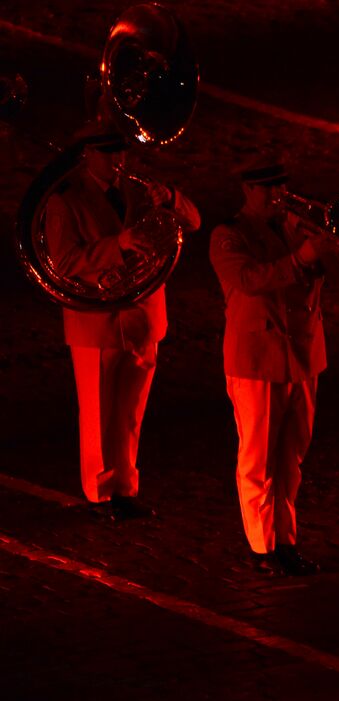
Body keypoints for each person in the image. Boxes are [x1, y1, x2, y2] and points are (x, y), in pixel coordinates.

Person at [43, 121, 200, 519]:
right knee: (98, 411)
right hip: (96, 321)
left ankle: (125, 488)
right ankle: (100, 493)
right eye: (108, 152)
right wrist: (118, 245)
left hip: (143, 315)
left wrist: (172, 199)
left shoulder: (139, 191)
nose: (118, 159)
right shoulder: (65, 200)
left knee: (130, 412)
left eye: (121, 151)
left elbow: (194, 222)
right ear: (87, 155)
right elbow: (63, 261)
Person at [208, 161, 339, 575]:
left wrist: (332, 243)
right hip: (257, 360)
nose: (277, 196)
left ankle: (285, 540)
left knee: (291, 459)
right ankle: (262, 547)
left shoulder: (297, 226)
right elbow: (250, 279)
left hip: (303, 357)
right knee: (258, 460)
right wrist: (301, 258)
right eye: (267, 189)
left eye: (280, 187)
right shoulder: (229, 234)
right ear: (247, 190)